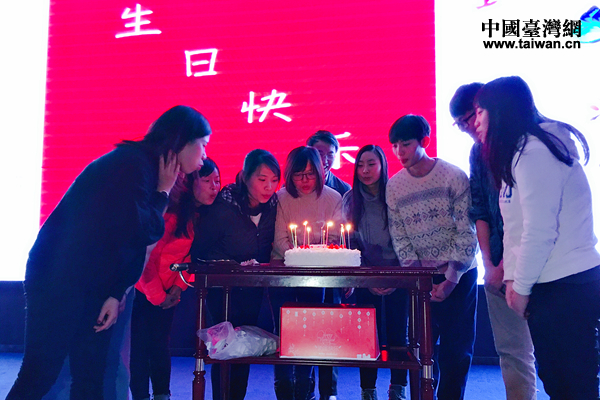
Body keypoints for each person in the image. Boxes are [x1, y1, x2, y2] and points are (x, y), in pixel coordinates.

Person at [7, 105, 212, 400]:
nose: (204, 155)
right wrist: (163, 194)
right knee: (41, 371)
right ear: (182, 141)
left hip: (92, 280)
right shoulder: (133, 165)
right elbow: (142, 231)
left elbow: (125, 243)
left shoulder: (146, 167)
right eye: (202, 144)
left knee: (90, 374)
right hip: (58, 276)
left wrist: (115, 293)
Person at [475, 76, 600, 399]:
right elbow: (517, 229)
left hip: (564, 285)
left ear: (499, 112)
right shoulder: (520, 152)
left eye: (480, 112)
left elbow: (539, 230)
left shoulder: (535, 152)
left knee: (572, 382)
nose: (476, 122)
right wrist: (515, 280)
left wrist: (520, 287)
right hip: (552, 284)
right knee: (560, 380)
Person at [450, 82, 538, 400]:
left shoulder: (528, 146)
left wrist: (505, 265)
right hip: (498, 268)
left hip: (538, 263)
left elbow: (530, 218)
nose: (470, 127)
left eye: (471, 117)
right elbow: (480, 210)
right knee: (511, 352)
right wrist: (489, 264)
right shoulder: (478, 153)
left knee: (557, 352)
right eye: (461, 124)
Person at [385, 114, 478, 400]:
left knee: (456, 349)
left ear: (424, 141)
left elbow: (467, 231)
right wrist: (419, 277)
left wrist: (451, 278)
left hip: (459, 275)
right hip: (422, 279)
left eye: (406, 144)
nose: (399, 152)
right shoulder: (394, 185)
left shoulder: (453, 176)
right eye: (395, 145)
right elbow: (400, 236)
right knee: (421, 349)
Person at [191, 149, 281, 400]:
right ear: (245, 176)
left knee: (245, 349)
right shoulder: (223, 207)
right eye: (262, 179)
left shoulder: (273, 206)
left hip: (252, 287)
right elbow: (199, 249)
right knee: (225, 349)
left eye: (274, 180)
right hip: (222, 289)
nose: (269, 187)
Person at [130, 159, 221, 400]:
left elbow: (190, 257)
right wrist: (158, 296)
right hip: (142, 290)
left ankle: (162, 394)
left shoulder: (199, 215)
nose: (214, 187)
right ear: (190, 182)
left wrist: (178, 288)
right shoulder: (169, 213)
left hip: (169, 290)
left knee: (160, 345)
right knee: (140, 349)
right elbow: (145, 258)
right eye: (208, 180)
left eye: (217, 181)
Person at [271, 146, 343, 400]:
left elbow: (334, 239)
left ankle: (305, 384)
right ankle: (283, 384)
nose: (304, 180)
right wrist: (299, 257)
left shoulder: (333, 198)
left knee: (310, 329)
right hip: (283, 272)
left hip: (316, 274)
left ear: (321, 173)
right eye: (298, 174)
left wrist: (310, 258)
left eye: (310, 174)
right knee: (283, 329)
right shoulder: (281, 197)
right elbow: (280, 238)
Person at [341, 145, 408, 400]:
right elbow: (350, 243)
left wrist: (395, 276)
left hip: (398, 275)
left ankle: (398, 387)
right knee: (366, 338)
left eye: (371, 164)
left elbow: (405, 239)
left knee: (398, 334)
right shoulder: (350, 199)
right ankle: (367, 390)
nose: (365, 170)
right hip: (366, 276)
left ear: (383, 166)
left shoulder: (395, 195)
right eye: (360, 165)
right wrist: (366, 276)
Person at [306, 130, 351, 400]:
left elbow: (350, 237)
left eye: (330, 154)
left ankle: (329, 392)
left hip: (334, 275)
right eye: (319, 153)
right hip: (302, 273)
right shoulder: (297, 186)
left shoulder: (344, 190)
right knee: (304, 330)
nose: (324, 159)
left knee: (328, 332)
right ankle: (304, 389)